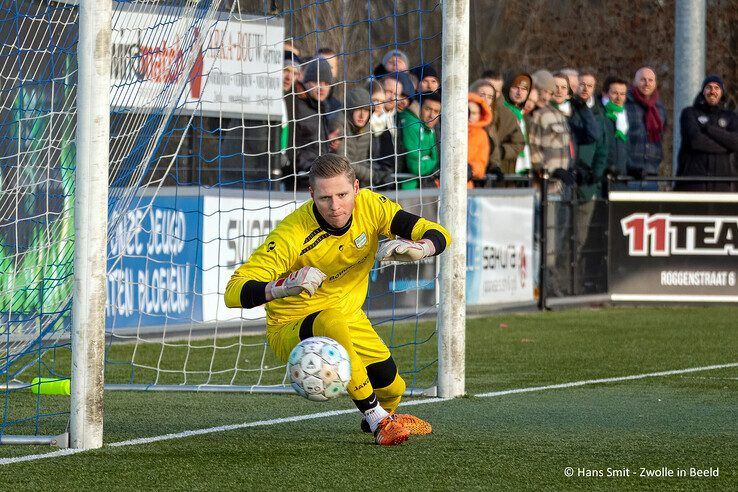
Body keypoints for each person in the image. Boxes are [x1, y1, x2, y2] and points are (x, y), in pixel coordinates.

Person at [224, 153, 451, 446]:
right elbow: (234, 292)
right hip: (292, 325)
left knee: (394, 388)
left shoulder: (371, 206)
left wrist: (419, 249)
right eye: (325, 198)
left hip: (350, 318)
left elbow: (438, 232)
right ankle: (377, 419)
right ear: (311, 195)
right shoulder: (293, 233)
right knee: (330, 322)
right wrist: (283, 285)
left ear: (356, 187)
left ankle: (386, 414)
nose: (335, 206)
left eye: (343, 195)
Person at [284, 57, 342, 190]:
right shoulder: (295, 105)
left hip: (319, 176)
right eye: (316, 82)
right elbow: (294, 147)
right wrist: (310, 169)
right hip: (301, 180)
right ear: (306, 82)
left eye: (325, 83)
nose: (321, 87)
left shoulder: (323, 107)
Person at [675, 75, 738, 191]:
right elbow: (696, 141)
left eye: (717, 88)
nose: (712, 91)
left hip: (723, 188)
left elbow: (735, 142)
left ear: (722, 93)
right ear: (703, 91)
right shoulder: (690, 113)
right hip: (693, 187)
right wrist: (726, 146)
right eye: (709, 87)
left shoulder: (731, 117)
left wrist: (709, 129)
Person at [624, 67, 667, 189]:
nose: (647, 83)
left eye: (650, 80)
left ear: (655, 83)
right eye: (642, 80)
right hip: (629, 173)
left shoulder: (660, 108)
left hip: (652, 171)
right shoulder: (626, 104)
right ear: (635, 82)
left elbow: (661, 136)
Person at [342, 87, 393, 188]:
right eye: (358, 110)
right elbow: (344, 164)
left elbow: (362, 161)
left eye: (366, 110)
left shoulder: (366, 128)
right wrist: (374, 175)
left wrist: (380, 172)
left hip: (359, 183)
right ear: (349, 110)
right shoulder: (339, 125)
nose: (362, 115)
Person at [398, 91, 441, 189]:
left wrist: (426, 160)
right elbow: (416, 167)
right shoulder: (412, 125)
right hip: (407, 189)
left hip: (424, 187)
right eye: (428, 109)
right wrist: (432, 160)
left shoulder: (433, 129)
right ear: (419, 108)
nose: (431, 115)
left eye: (436, 111)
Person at [467, 92, 493, 188]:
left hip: (465, 184)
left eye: (474, 113)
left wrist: (470, 169)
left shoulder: (481, 135)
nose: (470, 116)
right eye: (467, 111)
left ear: (480, 115)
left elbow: (481, 164)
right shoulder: (446, 127)